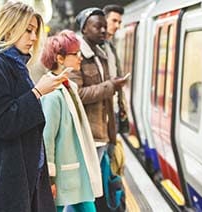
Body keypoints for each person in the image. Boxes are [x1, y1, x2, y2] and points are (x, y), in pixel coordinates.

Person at [0, 2, 68, 211]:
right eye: (28, 30)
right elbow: (3, 123)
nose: (33, 38)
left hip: (21, 176)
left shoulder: (15, 65)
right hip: (4, 181)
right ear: (9, 28)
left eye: (34, 32)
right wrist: (37, 92)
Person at [40, 30, 102, 212]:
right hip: (63, 174)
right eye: (75, 54)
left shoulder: (69, 86)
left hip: (74, 170)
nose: (80, 58)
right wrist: (50, 178)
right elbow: (47, 137)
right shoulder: (52, 95)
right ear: (60, 58)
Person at [71, 7, 127, 211]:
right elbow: (78, 94)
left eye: (105, 26)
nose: (104, 31)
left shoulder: (101, 54)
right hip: (88, 136)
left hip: (102, 134)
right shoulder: (77, 56)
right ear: (84, 29)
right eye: (98, 26)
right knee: (87, 191)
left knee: (99, 187)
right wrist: (111, 86)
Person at [103, 4, 128, 176]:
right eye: (114, 20)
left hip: (114, 111)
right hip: (104, 115)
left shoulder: (110, 46)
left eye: (119, 22)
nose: (117, 25)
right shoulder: (99, 47)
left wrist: (122, 104)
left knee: (110, 160)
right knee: (107, 161)